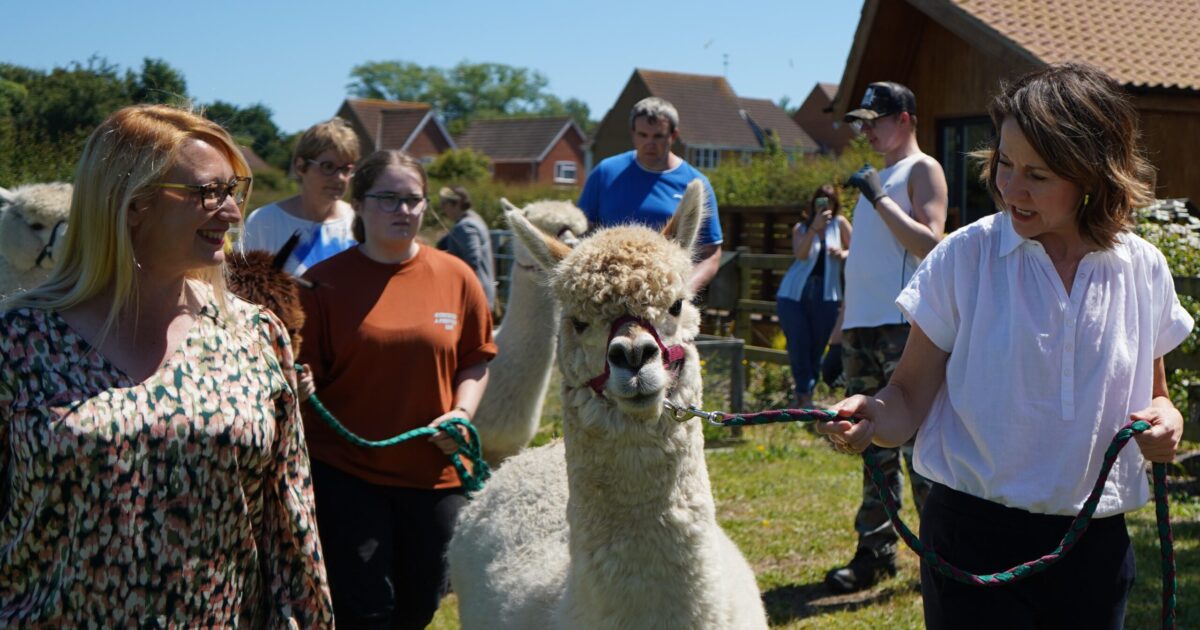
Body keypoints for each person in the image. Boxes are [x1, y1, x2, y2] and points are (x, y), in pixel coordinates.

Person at [818, 63, 1193, 629]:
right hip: (972, 541)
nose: (1010, 189)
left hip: (1094, 546)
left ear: (1093, 175)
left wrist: (1167, 423)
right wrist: (872, 416)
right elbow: (907, 398)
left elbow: (1157, 396)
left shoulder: (1141, 267)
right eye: (1004, 164)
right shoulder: (964, 258)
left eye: (1037, 175)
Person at [0, 104, 332, 625]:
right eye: (209, 192)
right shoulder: (20, 342)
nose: (232, 213)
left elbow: (289, 523)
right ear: (132, 202)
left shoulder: (254, 335)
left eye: (234, 191)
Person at [298, 150, 496, 628]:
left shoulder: (456, 277)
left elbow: (475, 360)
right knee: (364, 609)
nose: (402, 210)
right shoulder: (321, 285)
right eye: (387, 198)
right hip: (347, 471)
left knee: (423, 601)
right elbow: (305, 378)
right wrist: (299, 385)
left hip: (434, 471)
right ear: (359, 204)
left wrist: (462, 414)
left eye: (413, 200)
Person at [825, 80, 948, 593]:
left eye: (875, 121)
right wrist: (837, 338)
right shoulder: (876, 178)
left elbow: (931, 244)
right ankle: (874, 552)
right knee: (869, 444)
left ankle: (942, 555)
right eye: (862, 123)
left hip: (902, 327)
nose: (867, 131)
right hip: (862, 328)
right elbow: (862, 270)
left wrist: (878, 197)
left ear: (905, 119)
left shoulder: (922, 169)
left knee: (919, 447)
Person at [577, 96, 724, 293]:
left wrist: (683, 291)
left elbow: (711, 253)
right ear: (632, 133)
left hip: (663, 292)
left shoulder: (695, 184)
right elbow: (582, 233)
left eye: (658, 136)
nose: (649, 143)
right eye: (643, 135)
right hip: (608, 291)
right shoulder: (605, 173)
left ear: (673, 135)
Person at [240, 117, 360, 275]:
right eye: (328, 166)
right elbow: (243, 283)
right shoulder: (264, 221)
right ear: (300, 166)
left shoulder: (359, 222)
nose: (339, 178)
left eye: (346, 169)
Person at [776, 184, 851, 408]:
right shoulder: (801, 227)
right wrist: (813, 229)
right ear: (813, 203)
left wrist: (843, 253)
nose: (825, 205)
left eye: (830, 201)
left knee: (818, 346)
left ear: (835, 204)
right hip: (794, 294)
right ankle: (804, 395)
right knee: (799, 343)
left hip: (827, 293)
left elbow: (858, 248)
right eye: (821, 200)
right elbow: (800, 255)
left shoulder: (840, 224)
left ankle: (805, 394)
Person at [436, 185, 496, 311]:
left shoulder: (465, 226)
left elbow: (472, 260)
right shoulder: (475, 219)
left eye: (444, 203)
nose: (442, 208)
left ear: (456, 204)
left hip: (472, 297)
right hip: (481, 295)